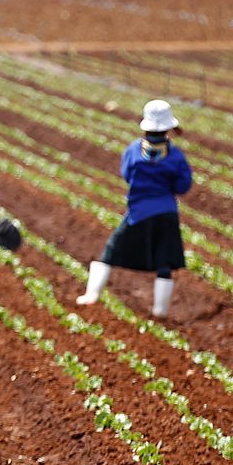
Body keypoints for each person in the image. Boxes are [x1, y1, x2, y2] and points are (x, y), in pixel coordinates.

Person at [77, 99, 192, 318]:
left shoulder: (133, 151)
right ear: (168, 128)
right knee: (164, 260)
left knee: (110, 251)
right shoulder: (176, 156)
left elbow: (127, 175)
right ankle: (160, 310)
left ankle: (91, 294)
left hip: (139, 212)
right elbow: (183, 186)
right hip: (167, 213)